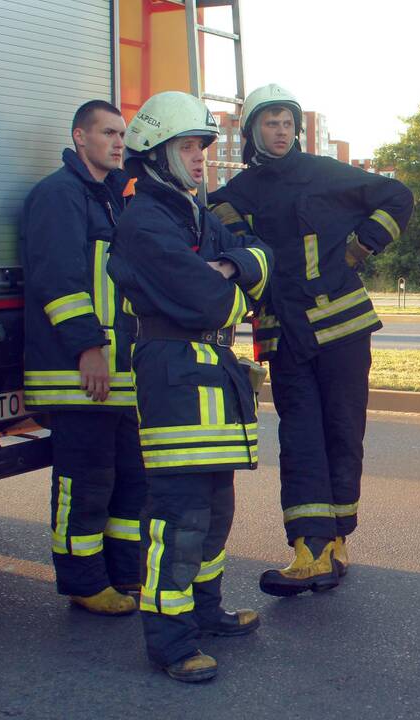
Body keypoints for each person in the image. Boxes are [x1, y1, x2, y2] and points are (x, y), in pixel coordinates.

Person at [208, 84, 413, 597]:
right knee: (301, 440)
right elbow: (218, 232)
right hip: (285, 335)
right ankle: (308, 548)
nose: (280, 132)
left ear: (296, 128)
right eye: (269, 123)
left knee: (343, 432)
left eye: (286, 123)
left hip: (343, 329)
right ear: (252, 130)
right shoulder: (238, 193)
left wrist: (363, 245)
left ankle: (336, 540)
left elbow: (398, 197)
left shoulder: (324, 172)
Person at [108, 91, 270, 682]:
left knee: (216, 508)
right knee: (179, 517)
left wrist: (231, 267)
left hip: (210, 374)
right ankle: (171, 642)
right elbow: (213, 301)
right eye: (188, 146)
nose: (202, 156)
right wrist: (234, 280)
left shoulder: (194, 214)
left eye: (203, 145)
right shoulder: (145, 222)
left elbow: (261, 259)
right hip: (175, 375)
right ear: (154, 154)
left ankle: (204, 611)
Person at [20, 100, 144, 617]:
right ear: (79, 137)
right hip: (77, 371)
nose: (119, 142)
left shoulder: (112, 198)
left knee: (127, 481)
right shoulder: (59, 195)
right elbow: (60, 281)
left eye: (122, 134)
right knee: (86, 481)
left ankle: (120, 576)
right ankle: (83, 581)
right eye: (108, 133)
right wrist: (88, 348)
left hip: (117, 373)